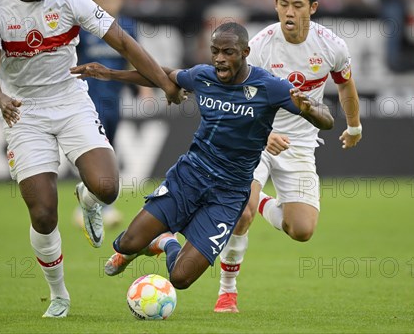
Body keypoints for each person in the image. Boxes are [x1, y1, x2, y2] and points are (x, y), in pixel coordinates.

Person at [0, 0, 182, 318]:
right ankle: (59, 295)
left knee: (107, 188)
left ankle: (88, 202)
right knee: (43, 213)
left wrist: (165, 83)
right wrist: (1, 99)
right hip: (24, 112)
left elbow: (122, 41)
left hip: (71, 101)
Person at [70, 22, 334, 290]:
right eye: (215, 51)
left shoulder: (269, 87)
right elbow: (163, 75)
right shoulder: (203, 76)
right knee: (127, 244)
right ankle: (159, 238)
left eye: (228, 52)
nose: (220, 58)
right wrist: (110, 73)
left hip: (228, 195)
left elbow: (328, 121)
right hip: (189, 177)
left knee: (180, 278)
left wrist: (312, 110)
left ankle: (168, 241)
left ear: (245, 52)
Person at [214, 0, 362, 313]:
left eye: (298, 5)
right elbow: (236, 102)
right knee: (242, 211)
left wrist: (353, 126)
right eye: (283, 4)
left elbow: (345, 85)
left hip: (300, 142)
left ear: (313, 7)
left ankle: (263, 202)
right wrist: (264, 135)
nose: (289, 12)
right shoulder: (261, 46)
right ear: (276, 5)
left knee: (302, 230)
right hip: (256, 137)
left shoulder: (331, 46)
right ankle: (227, 291)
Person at [73, 0, 150, 228]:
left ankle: (87, 201)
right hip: (87, 100)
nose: (107, 5)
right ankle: (102, 206)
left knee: (110, 149)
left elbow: (133, 59)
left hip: (114, 100)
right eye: (102, 0)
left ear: (120, 0)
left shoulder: (127, 27)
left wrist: (144, 88)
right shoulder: (83, 28)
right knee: (100, 152)